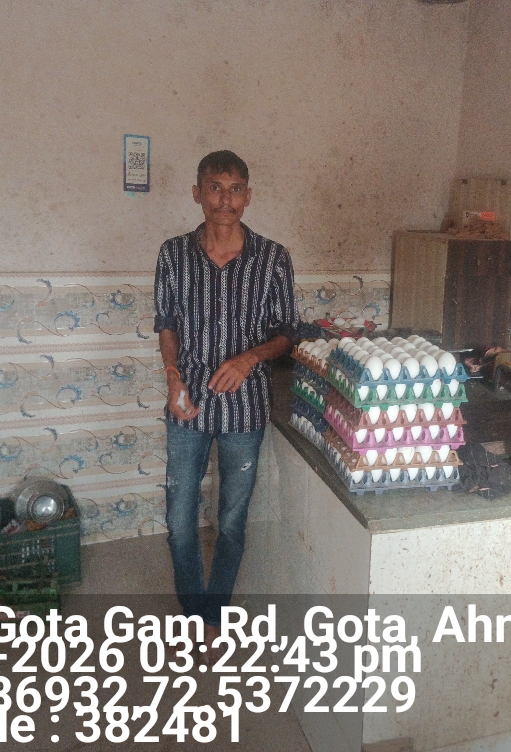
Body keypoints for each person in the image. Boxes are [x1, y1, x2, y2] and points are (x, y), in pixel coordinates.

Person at [153, 150, 299, 662]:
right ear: (197, 193)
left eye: (236, 189)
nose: (225, 200)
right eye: (215, 188)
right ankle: (192, 614)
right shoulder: (173, 254)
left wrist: (250, 357)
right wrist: (172, 376)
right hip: (187, 404)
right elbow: (166, 323)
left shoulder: (273, 258)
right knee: (179, 520)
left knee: (232, 520)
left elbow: (288, 332)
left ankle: (214, 617)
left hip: (245, 408)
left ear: (248, 196)